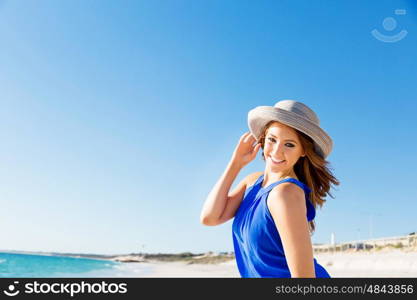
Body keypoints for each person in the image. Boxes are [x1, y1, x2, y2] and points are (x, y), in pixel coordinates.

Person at [200, 99, 339, 278]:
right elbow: (210, 217)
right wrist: (235, 164)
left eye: (289, 144)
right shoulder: (252, 182)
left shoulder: (286, 193)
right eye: (272, 139)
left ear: (303, 151)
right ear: (263, 139)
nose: (276, 151)